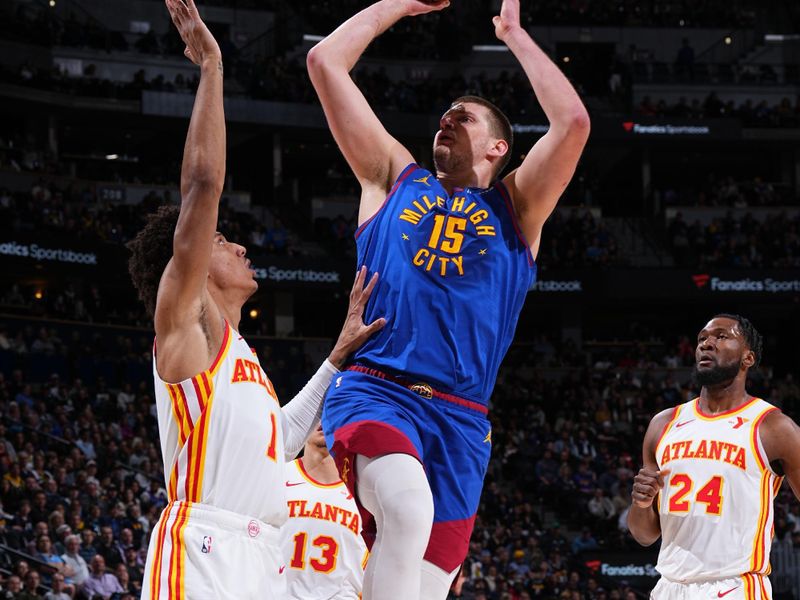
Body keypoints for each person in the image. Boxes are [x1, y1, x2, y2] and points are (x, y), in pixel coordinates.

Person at [307, 0, 589, 598]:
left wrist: (513, 34)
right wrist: (396, 4)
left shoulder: (519, 207)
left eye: (464, 118)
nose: (447, 120)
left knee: (428, 585)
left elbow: (573, 123)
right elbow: (325, 61)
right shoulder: (391, 178)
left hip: (463, 421)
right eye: (443, 116)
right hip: (378, 389)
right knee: (407, 508)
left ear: (498, 150)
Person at [127, 1, 384, 598]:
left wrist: (337, 357)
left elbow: (281, 437)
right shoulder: (185, 323)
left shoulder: (242, 355)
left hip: (264, 555)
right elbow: (202, 185)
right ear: (186, 261)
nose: (238, 245)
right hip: (203, 548)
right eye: (220, 240)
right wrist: (212, 68)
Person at [628, 314, 800, 599]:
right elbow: (644, 535)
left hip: (734, 586)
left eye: (721, 336)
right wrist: (642, 503)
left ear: (748, 358)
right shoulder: (663, 424)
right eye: (702, 339)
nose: (707, 344)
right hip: (668, 587)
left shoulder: (772, 427)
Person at [280, 427, 368, 599]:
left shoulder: (368, 494)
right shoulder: (275, 476)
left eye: (330, 409)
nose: (323, 419)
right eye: (318, 412)